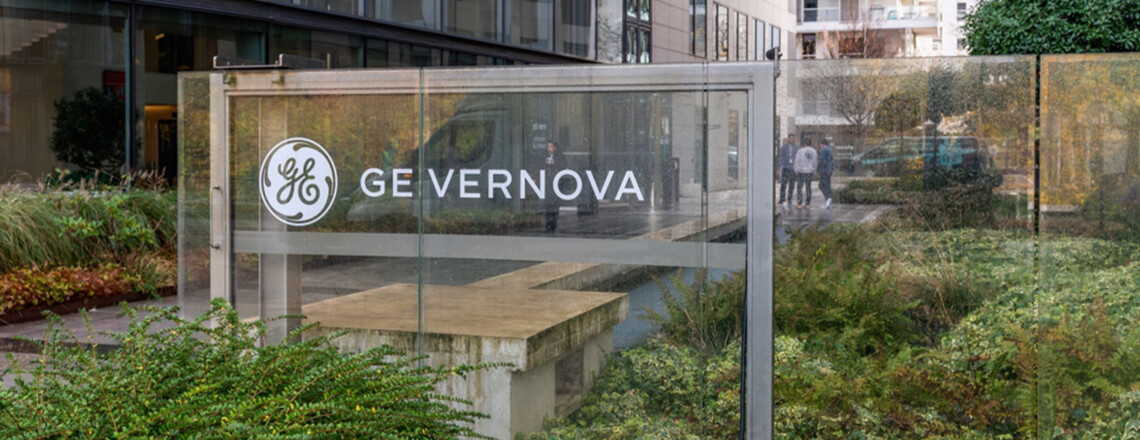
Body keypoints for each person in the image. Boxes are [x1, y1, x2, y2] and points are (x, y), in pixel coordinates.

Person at [544, 141, 566, 232]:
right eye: (548, 147)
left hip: (556, 183)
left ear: (555, 148)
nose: (549, 149)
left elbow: (564, 166)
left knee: (555, 204)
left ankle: (553, 222)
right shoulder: (544, 156)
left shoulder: (560, 156)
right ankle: (548, 222)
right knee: (547, 204)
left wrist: (555, 163)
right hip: (547, 183)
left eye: (551, 147)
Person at [793, 138, 818, 209]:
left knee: (799, 187)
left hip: (801, 171)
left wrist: (796, 169)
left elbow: (797, 161)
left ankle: (799, 203)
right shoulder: (814, 151)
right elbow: (815, 162)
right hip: (809, 171)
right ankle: (808, 204)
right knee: (808, 187)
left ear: (804, 143)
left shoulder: (800, 151)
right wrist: (814, 170)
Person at [777, 134, 797, 209]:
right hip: (786, 167)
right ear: (788, 139)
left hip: (792, 168)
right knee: (783, 184)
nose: (791, 140)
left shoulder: (796, 148)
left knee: (792, 185)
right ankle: (782, 199)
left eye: (792, 138)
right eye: (790, 138)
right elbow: (780, 158)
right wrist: (779, 168)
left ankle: (789, 199)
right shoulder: (784, 148)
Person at [817, 139, 835, 209]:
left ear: (822, 144)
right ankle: (828, 200)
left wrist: (818, 168)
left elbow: (822, 161)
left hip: (824, 170)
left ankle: (828, 198)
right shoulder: (829, 150)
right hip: (828, 170)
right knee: (827, 185)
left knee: (821, 185)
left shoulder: (824, 150)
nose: (819, 146)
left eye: (820, 144)